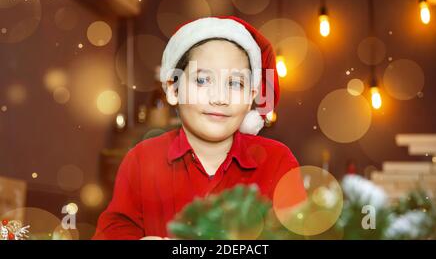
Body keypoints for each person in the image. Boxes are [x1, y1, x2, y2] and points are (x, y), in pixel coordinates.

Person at [93, 16, 301, 239]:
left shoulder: (278, 161)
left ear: (251, 96)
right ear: (173, 89)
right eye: (202, 80)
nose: (220, 98)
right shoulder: (141, 160)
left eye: (235, 83)